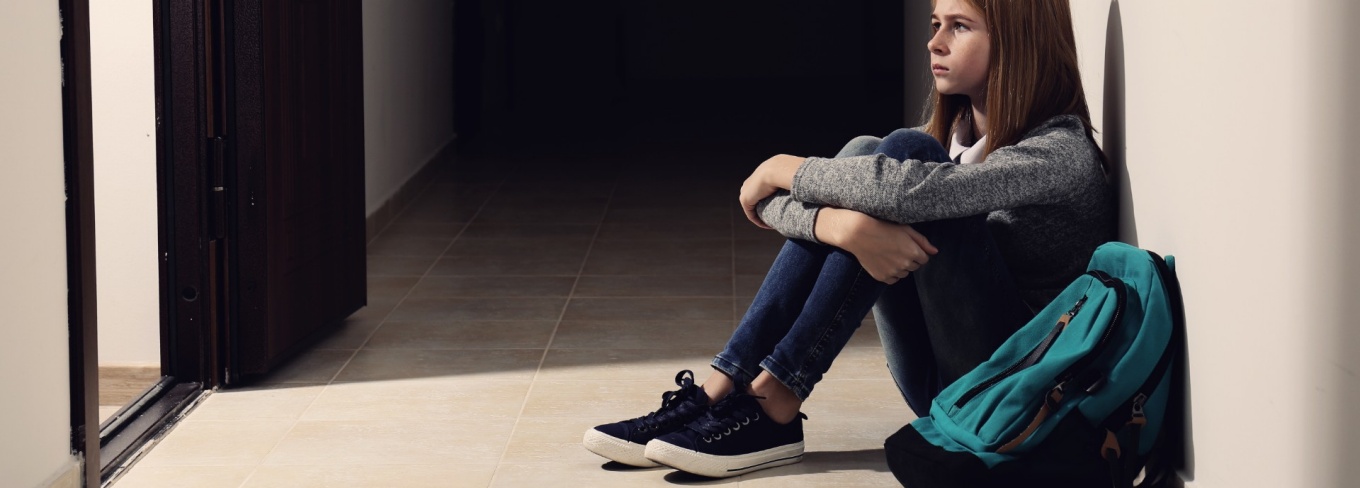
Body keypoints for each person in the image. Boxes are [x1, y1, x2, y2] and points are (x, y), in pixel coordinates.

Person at [583, 0, 1115, 479]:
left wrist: (779, 168)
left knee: (900, 158)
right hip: (940, 383)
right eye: (935, 24)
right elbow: (801, 205)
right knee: (868, 152)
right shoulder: (956, 144)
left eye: (959, 26)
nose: (934, 42)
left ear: (1018, 44)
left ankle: (776, 402)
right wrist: (840, 226)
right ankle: (722, 388)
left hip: (1009, 396)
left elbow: (899, 195)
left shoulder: (1057, 155)